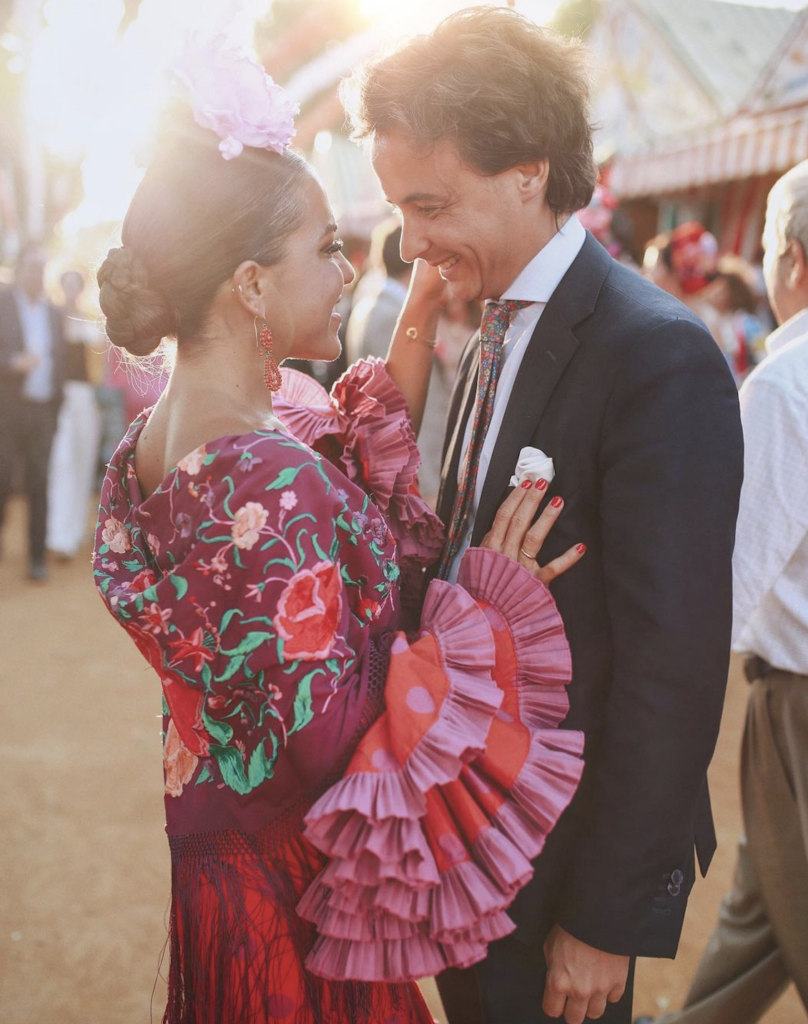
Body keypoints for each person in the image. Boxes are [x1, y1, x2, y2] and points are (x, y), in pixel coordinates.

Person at [92, 44, 588, 1024]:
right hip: (300, 907)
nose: (354, 265)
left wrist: (414, 313)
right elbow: (343, 733)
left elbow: (334, 465)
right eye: (326, 246)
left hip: (226, 869)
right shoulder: (268, 476)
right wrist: (490, 599)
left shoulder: (171, 436)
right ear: (247, 284)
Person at [346, 8, 744, 1023]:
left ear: (528, 170)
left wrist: (607, 914)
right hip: (477, 827)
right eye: (400, 208)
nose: (411, 241)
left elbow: (675, 664)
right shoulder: (492, 322)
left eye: (430, 205)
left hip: (565, 858)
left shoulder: (653, 353)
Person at [636, 160, 808, 1024]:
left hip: (798, 708)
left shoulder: (786, 384)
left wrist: (661, 716)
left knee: (782, 898)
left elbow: (732, 581)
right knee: (767, 907)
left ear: (794, 261)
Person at [0, 243, 66, 580]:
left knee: (40, 482)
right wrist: (12, 364)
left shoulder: (53, 312)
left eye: (42, 268)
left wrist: (57, 407)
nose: (37, 274)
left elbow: (60, 363)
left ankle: (36, 558)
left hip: (42, 412)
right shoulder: (3, 303)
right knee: (2, 481)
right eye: (31, 267)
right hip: (7, 412)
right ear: (19, 269)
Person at [47, 270, 103, 559]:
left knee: (81, 463)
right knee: (61, 461)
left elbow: (101, 369)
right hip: (57, 397)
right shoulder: (51, 318)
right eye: (66, 285)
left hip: (84, 397)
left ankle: (72, 534)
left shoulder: (91, 324)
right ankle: (57, 534)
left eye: (74, 286)